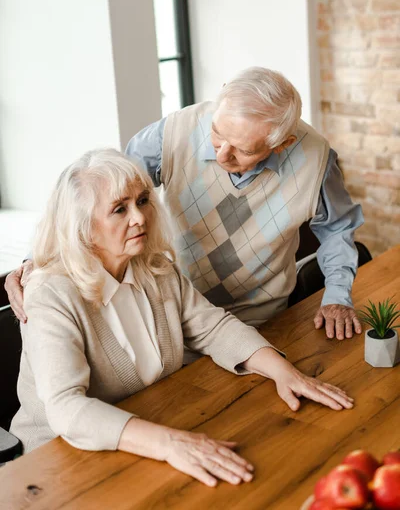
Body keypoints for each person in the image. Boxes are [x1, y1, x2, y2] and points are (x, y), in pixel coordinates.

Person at [10, 149, 353, 487]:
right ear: (83, 227)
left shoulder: (153, 266)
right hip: (57, 464)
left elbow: (214, 328)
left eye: (143, 200)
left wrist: (285, 372)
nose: (140, 218)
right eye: (119, 209)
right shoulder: (51, 294)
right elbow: (66, 409)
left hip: (147, 433)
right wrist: (170, 443)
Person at [6, 67, 364, 340]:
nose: (221, 154)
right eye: (218, 134)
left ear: (282, 143)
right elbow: (96, 199)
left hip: (263, 318)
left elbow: (337, 231)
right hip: (172, 311)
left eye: (242, 149)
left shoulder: (315, 158)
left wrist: (336, 296)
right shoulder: (173, 132)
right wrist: (39, 258)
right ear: (221, 97)